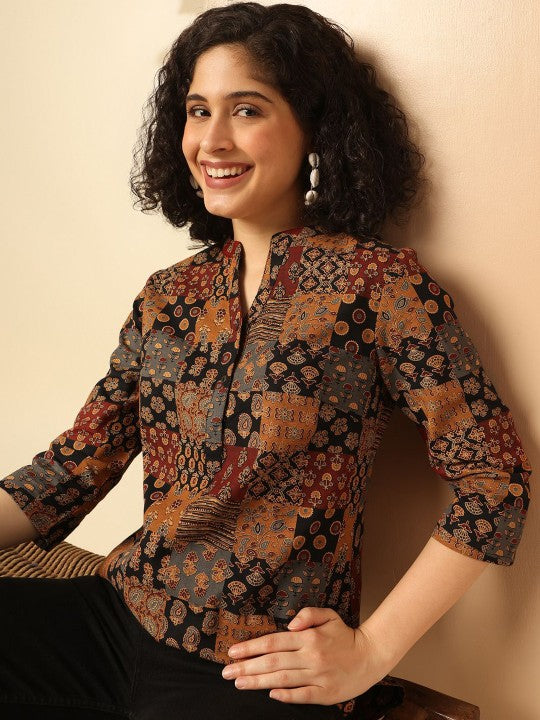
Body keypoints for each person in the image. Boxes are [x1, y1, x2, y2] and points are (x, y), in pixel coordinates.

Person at [0, 3, 532, 719]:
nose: (211, 140)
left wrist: (372, 652)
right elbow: (72, 468)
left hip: (258, 666)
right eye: (197, 111)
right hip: (117, 616)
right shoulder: (170, 295)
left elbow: (494, 479)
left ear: (315, 128)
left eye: (246, 110)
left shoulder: (379, 285)